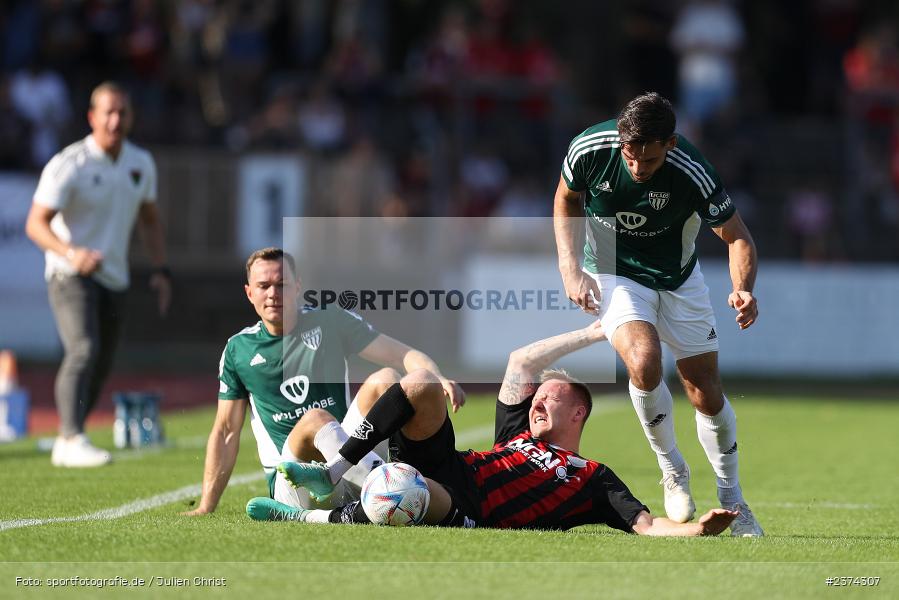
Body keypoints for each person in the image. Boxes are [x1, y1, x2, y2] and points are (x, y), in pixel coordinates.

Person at [248, 322, 738, 537]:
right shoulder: (514, 434)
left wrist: (698, 528)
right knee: (418, 384)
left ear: (578, 414)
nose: (538, 401)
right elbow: (521, 361)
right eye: (537, 397)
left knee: (400, 488)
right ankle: (335, 473)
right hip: (448, 465)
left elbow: (648, 526)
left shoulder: (593, 478)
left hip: (463, 508)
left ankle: (307, 518)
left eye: (551, 396)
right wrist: (596, 332)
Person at [553, 92, 763, 536]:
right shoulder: (590, 149)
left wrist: (743, 289)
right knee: (644, 362)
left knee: (704, 391)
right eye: (631, 157)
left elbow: (737, 236)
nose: (638, 168)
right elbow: (566, 200)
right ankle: (673, 469)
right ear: (622, 140)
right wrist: (571, 269)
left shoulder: (693, 170)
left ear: (670, 144)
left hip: (678, 278)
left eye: (649, 161)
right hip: (612, 270)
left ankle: (734, 499)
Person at [182, 247, 464, 517]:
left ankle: (394, 486)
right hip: (293, 482)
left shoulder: (330, 321)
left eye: (281, 284)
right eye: (264, 286)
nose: (273, 294)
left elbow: (402, 355)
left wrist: (435, 376)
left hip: (345, 459)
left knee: (387, 381)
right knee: (315, 418)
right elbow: (226, 432)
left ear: (297, 286)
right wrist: (206, 505)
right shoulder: (238, 349)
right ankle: (396, 489)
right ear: (249, 292)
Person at [25, 81, 171, 468]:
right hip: (69, 273)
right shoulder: (69, 163)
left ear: (131, 117)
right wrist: (71, 252)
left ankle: (68, 434)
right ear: (92, 117)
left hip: (115, 277)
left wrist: (160, 269)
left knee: (102, 363)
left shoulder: (141, 163)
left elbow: (150, 220)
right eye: (108, 111)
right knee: (83, 349)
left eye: (122, 112)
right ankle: (71, 438)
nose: (115, 119)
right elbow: (35, 224)